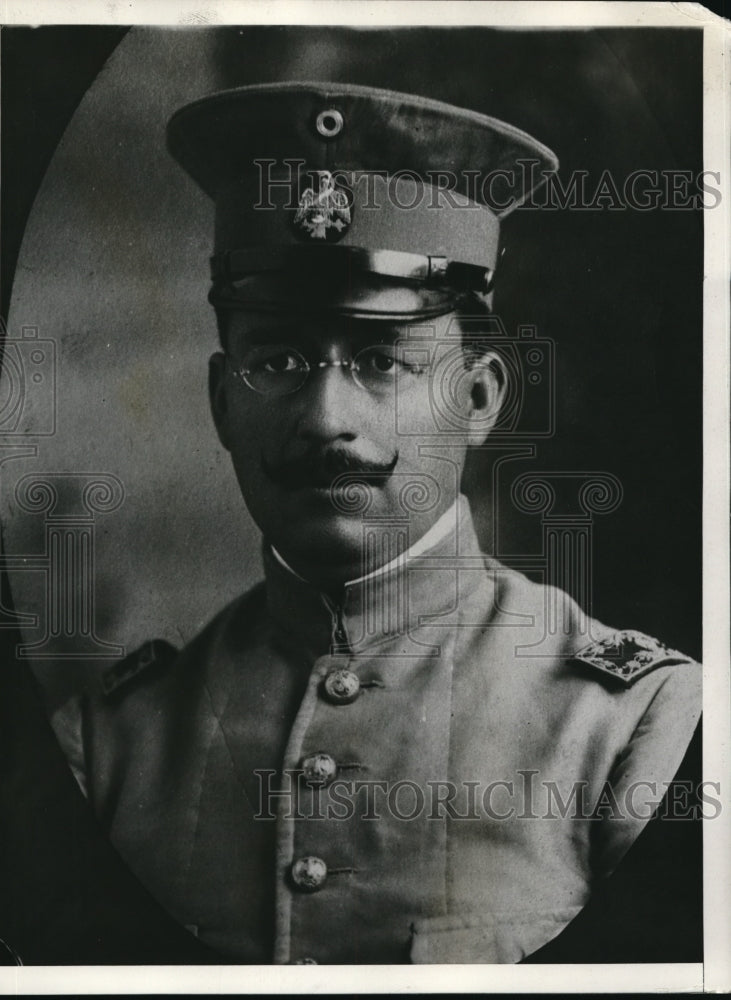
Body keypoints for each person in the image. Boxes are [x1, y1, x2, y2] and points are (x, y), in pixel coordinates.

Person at [49, 82, 702, 965]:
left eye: (382, 360)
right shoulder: (107, 753)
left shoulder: (633, 729)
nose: (325, 421)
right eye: (279, 360)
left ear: (478, 399)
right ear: (220, 403)